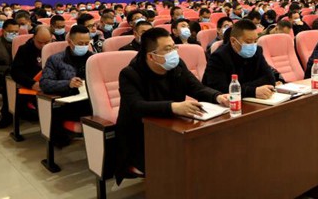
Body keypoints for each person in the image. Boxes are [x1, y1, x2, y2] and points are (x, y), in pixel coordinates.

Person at [115, 27, 229, 182]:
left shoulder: (177, 65)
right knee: (178, 162)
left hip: (174, 127)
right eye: (167, 49)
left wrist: (217, 97)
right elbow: (137, 106)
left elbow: (196, 88)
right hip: (142, 136)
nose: (174, 53)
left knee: (208, 148)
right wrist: (173, 107)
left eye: (174, 47)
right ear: (151, 56)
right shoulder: (130, 74)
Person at [39, 25, 94, 147]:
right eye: (80, 43)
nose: (84, 46)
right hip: (67, 103)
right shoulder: (56, 59)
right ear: (70, 42)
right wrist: (68, 83)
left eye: (87, 43)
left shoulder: (93, 58)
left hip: (90, 100)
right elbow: (45, 83)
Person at [203, 19, 276, 98]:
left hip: (251, 100)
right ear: (233, 41)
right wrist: (253, 91)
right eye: (248, 42)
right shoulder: (218, 57)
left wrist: (241, 87)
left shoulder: (257, 50)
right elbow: (220, 89)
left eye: (255, 41)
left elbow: (270, 79)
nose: (253, 45)